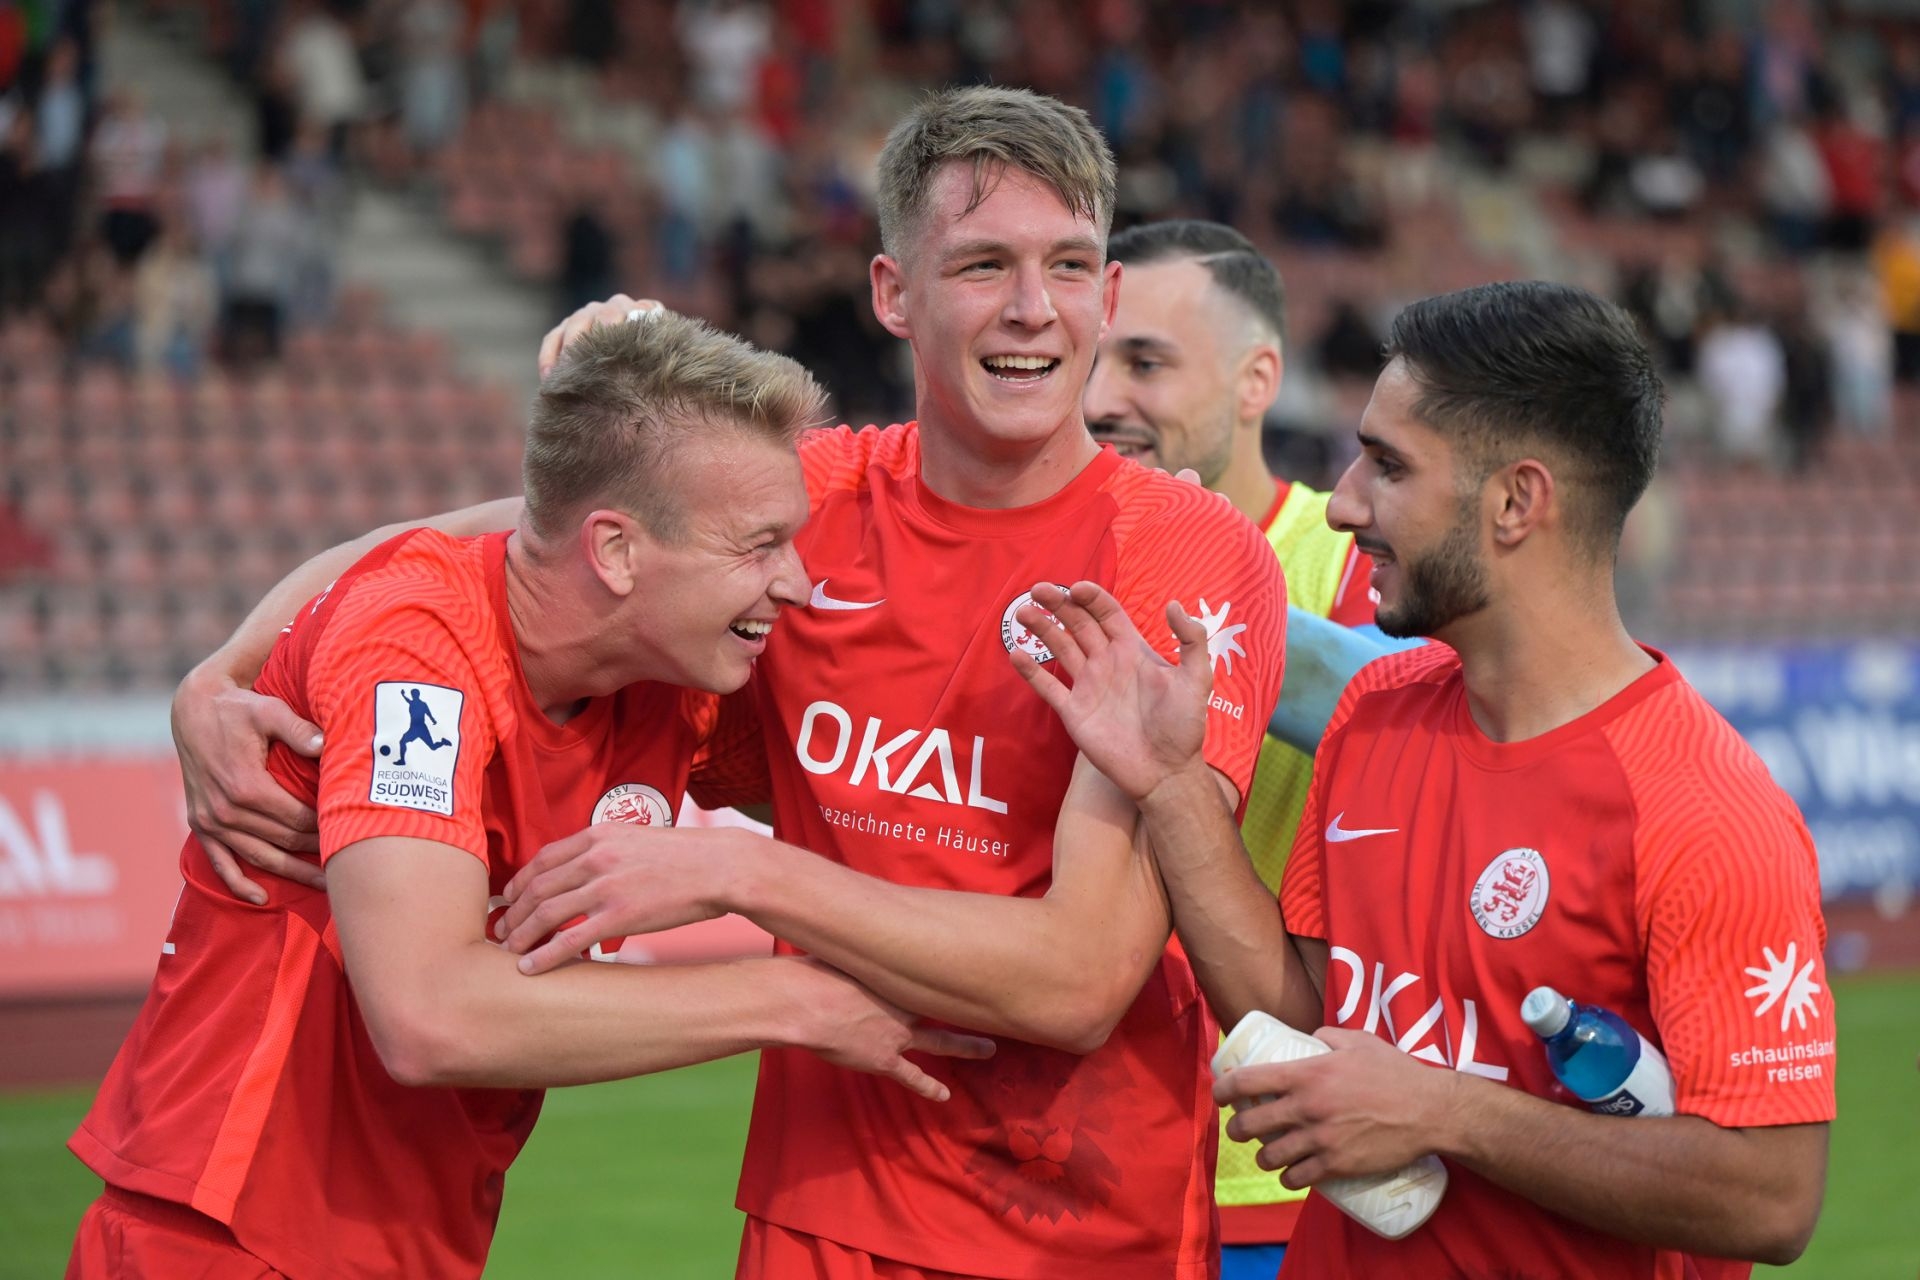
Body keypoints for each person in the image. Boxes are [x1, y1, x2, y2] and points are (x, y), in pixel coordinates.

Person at [171, 87, 1288, 1279]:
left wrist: (735, 870)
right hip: (818, 1210)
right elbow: (511, 543)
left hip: (1086, 1226)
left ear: (1106, 295)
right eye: (982, 265)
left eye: (1067, 265)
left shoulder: (1183, 551)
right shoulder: (805, 501)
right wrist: (221, 675)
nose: (1032, 307)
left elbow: (1080, 978)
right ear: (892, 293)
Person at [67, 315, 989, 1279]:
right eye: (759, 547)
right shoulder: (416, 650)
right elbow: (429, 1017)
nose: (795, 583)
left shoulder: (668, 684)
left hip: (405, 1243)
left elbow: (894, 809)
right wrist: (794, 1000)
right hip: (222, 1235)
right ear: (617, 554)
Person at [1010, 281, 1833, 1277]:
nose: (1344, 502)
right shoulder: (1375, 712)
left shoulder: (1703, 807)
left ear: (1517, 501)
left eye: (1389, 466)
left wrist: (1447, 1110)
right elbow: (1305, 1018)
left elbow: (1772, 1197)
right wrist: (1172, 785)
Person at [1083, 218, 1380, 1276]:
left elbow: (1418, 717)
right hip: (1076, 1148)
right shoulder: (1050, 544)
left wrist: (1192, 581)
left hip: (1273, 1168)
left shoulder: (1352, 555)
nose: (1099, 397)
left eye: (1145, 362)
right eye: (1089, 358)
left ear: (1258, 380)